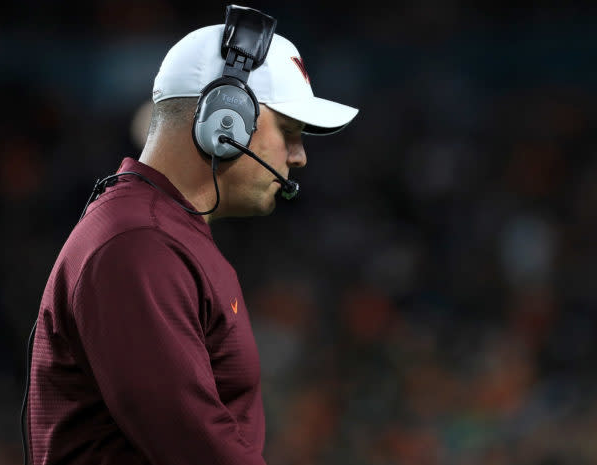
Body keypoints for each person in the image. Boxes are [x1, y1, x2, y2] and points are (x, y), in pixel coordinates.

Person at [23, 8, 358, 465]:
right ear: (227, 123)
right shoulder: (138, 244)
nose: (298, 156)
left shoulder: (158, 231)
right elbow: (195, 448)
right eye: (289, 131)